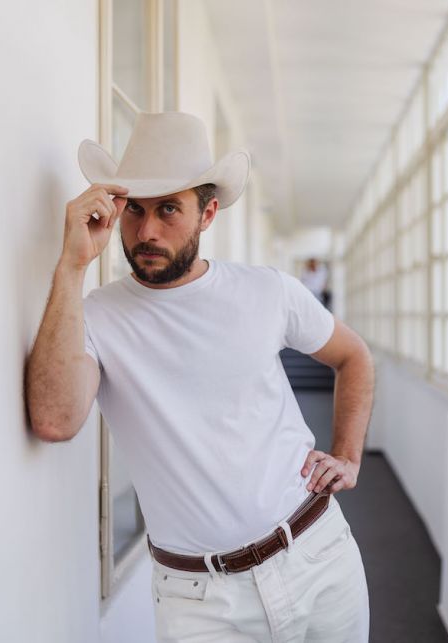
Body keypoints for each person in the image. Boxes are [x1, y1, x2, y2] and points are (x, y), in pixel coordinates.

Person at [24, 112, 374, 642]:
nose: (147, 231)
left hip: (318, 557)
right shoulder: (94, 314)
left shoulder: (267, 291)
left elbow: (354, 357)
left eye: (169, 208)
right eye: (133, 210)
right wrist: (71, 266)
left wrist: (347, 455)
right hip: (201, 603)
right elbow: (54, 419)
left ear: (207, 213)